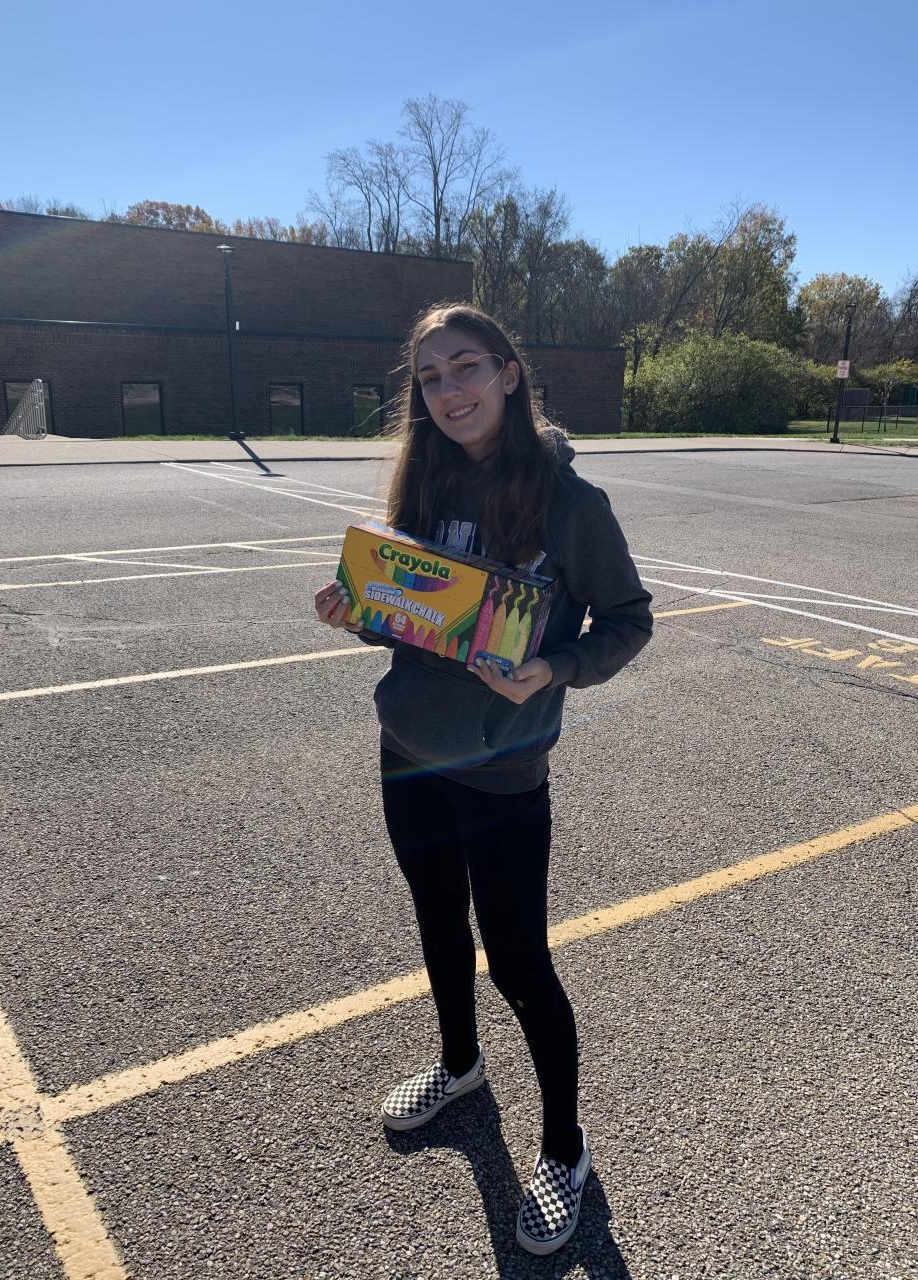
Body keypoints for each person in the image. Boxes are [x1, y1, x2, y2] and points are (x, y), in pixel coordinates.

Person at [314, 303, 652, 1255]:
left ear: (509, 374)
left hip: (502, 768)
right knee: (435, 919)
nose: (448, 390)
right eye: (429, 376)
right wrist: (359, 611)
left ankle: (566, 1150)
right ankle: (460, 1064)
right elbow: (411, 617)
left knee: (518, 961)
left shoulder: (571, 503)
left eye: (465, 367)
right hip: (409, 749)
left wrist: (554, 669)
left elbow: (629, 619)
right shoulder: (424, 480)